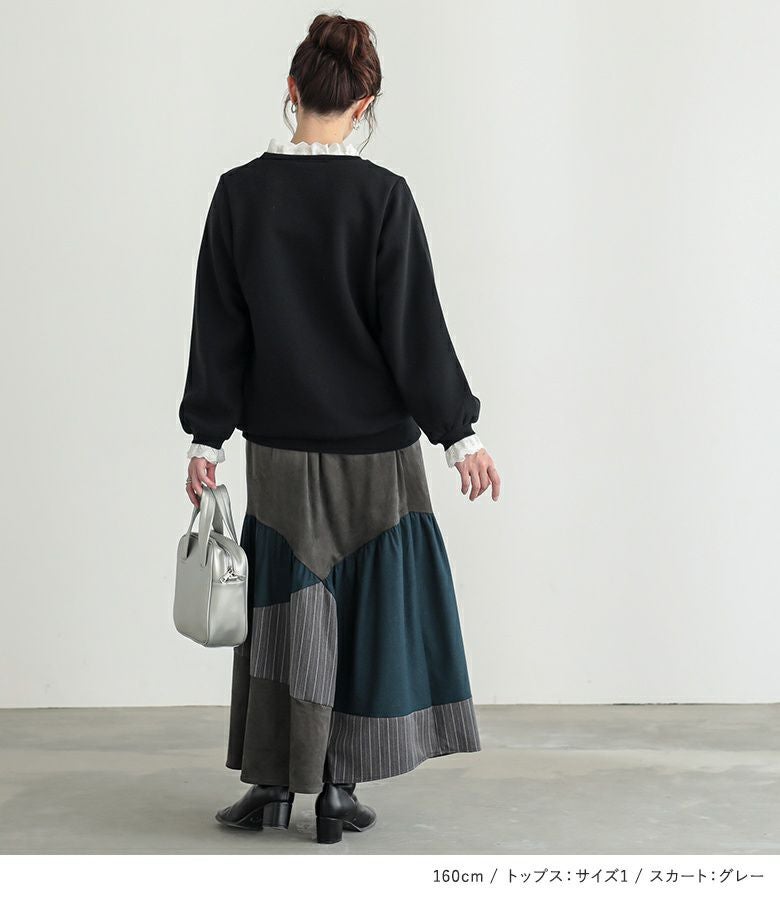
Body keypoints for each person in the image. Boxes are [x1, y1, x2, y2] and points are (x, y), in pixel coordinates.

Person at [178, 12, 501, 845]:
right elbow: (413, 329)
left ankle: (271, 786)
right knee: (359, 612)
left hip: (280, 447)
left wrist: (207, 439)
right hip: (376, 452)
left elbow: (220, 328)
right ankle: (336, 791)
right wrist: (459, 436)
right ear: (365, 104)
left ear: (291, 90)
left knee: (284, 610)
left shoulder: (239, 193)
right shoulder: (383, 196)